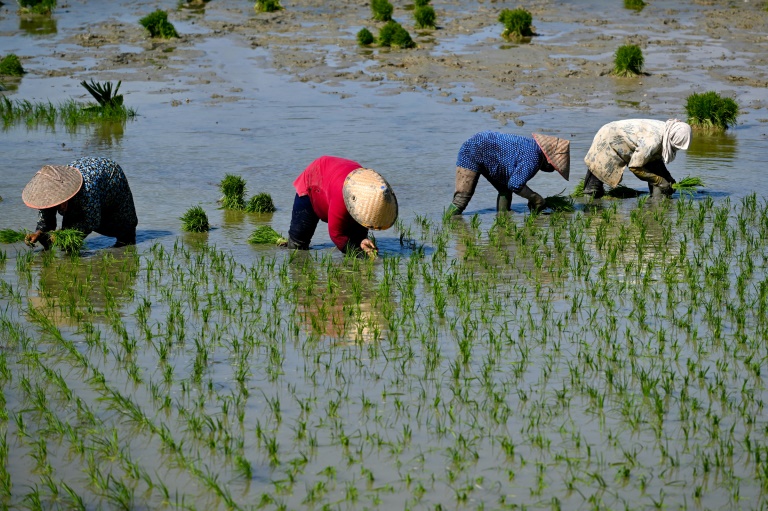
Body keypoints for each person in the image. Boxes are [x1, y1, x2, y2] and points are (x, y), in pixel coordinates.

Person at [285, 155, 398, 256]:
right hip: (315, 180)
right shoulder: (342, 195)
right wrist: (357, 253)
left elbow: (361, 223)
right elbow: (336, 234)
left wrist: (361, 241)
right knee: (298, 245)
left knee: (356, 237)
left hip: (335, 175)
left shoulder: (369, 191)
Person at [22, 157, 138, 248]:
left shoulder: (88, 190)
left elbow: (91, 220)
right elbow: (46, 219)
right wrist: (39, 232)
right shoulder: (48, 192)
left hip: (111, 177)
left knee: (126, 235)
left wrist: (62, 235)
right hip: (85, 185)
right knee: (67, 242)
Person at [446, 131, 570, 215]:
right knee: (461, 199)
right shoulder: (534, 157)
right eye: (552, 167)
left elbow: (510, 184)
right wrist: (537, 200)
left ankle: (503, 219)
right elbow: (516, 184)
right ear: (548, 160)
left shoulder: (532, 147)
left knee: (504, 189)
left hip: (485, 150)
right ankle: (447, 224)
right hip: (472, 150)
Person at [582, 118, 692, 199]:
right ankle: (590, 208)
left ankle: (655, 204)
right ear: (671, 139)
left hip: (629, 139)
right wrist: (659, 180)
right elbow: (635, 167)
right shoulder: (652, 141)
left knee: (663, 183)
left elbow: (655, 162)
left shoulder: (667, 131)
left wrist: (668, 179)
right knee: (594, 187)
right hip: (608, 138)